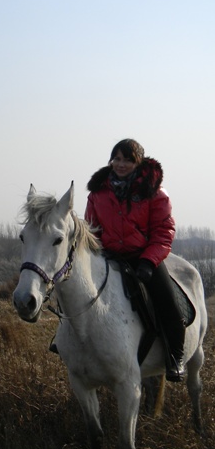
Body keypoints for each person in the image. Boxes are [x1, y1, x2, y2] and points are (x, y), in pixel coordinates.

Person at [84, 138, 185, 382]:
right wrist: (94, 254)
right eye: (117, 159)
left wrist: (149, 262)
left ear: (138, 162)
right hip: (109, 257)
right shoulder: (98, 192)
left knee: (168, 305)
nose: (121, 164)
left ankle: (175, 356)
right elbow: (91, 229)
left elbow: (163, 231)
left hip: (144, 259)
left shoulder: (154, 192)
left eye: (128, 160)